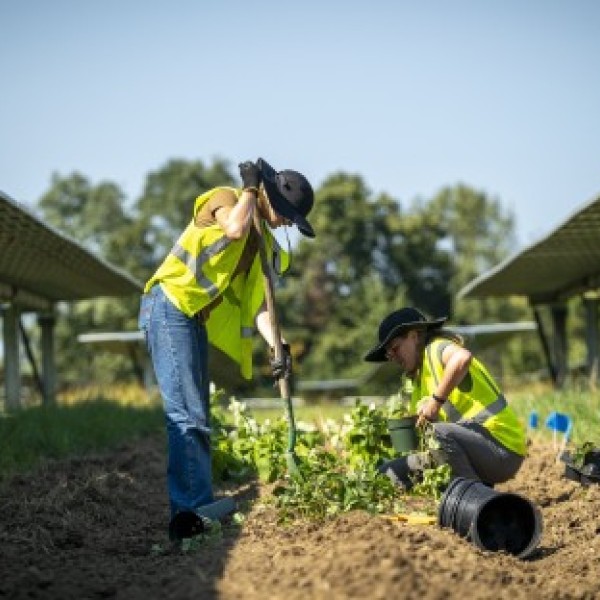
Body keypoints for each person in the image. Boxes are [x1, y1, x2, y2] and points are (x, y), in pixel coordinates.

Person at [138, 158, 315, 540]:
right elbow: (233, 228)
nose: (286, 224)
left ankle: (193, 509)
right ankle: (191, 515)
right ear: (271, 198)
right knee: (187, 417)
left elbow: (260, 306)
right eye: (286, 216)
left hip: (192, 319)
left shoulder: (261, 241)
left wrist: (278, 345)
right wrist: (250, 188)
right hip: (169, 307)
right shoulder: (224, 198)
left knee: (198, 414)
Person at [364, 307, 527, 488]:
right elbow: (426, 428)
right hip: (474, 449)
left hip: (501, 448)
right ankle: (468, 495)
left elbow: (462, 358)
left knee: (439, 432)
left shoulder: (436, 348)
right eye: (389, 354)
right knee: (388, 473)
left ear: (414, 336)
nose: (393, 357)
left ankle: (475, 499)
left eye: (395, 349)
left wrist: (435, 402)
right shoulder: (418, 379)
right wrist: (386, 432)